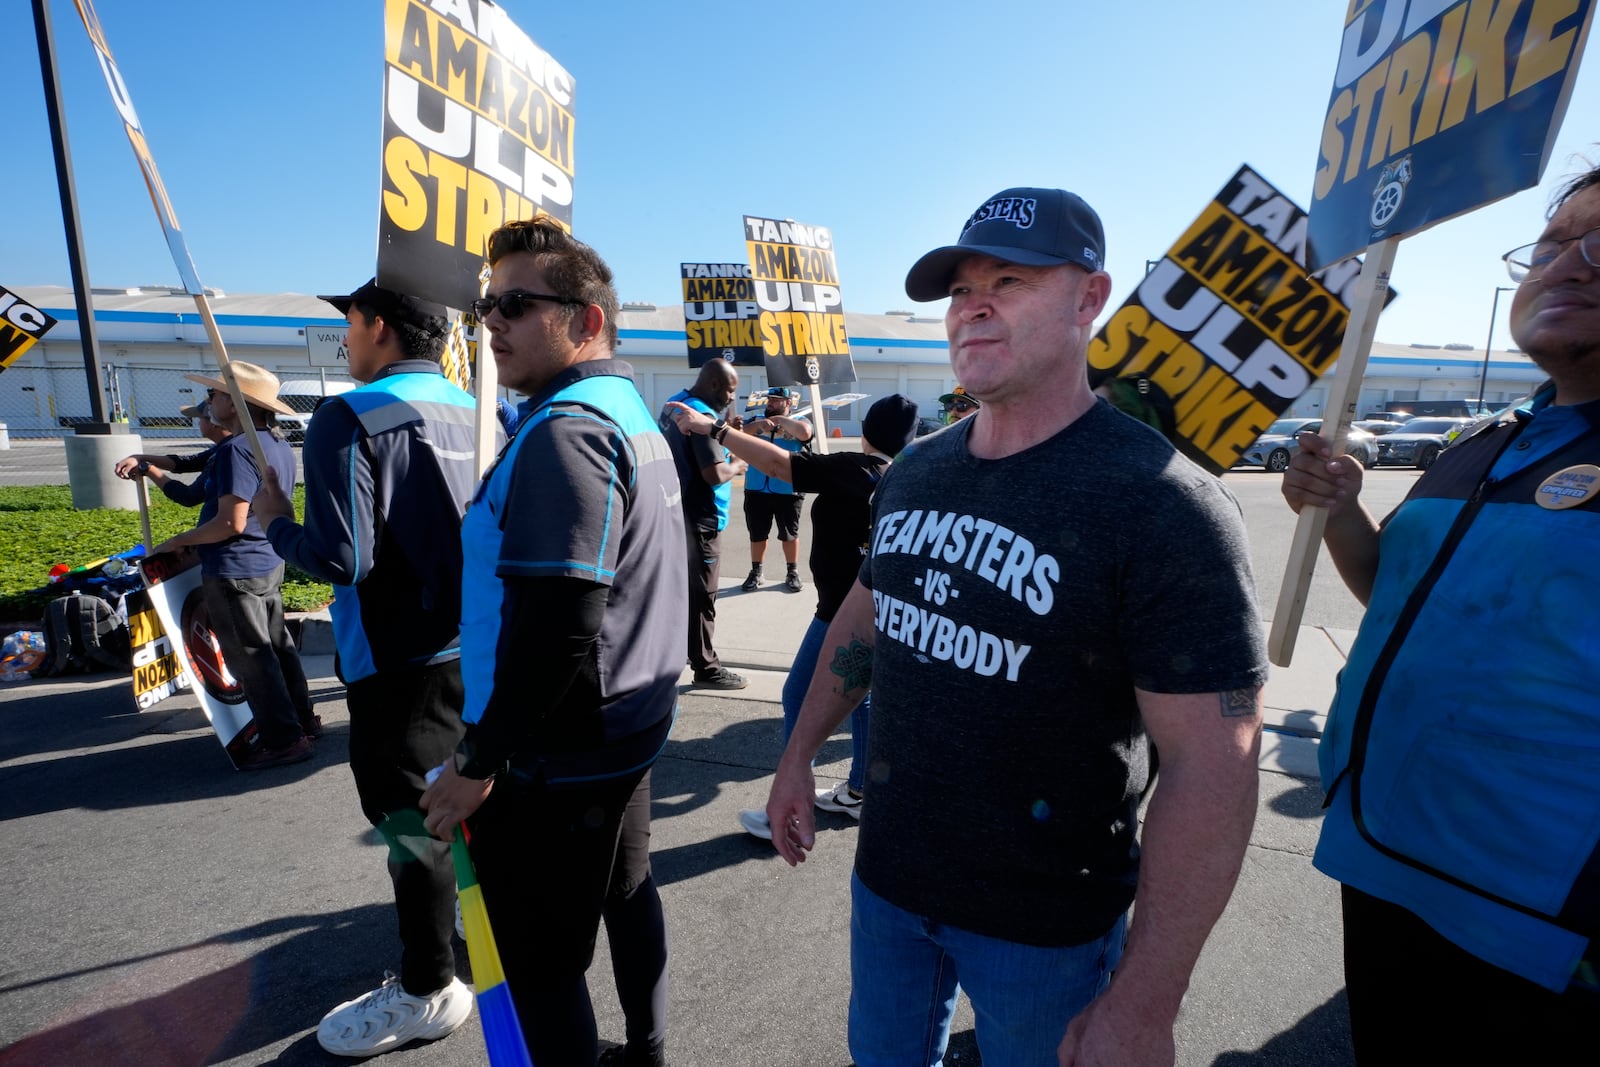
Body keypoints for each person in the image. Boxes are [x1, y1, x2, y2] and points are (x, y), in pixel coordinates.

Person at [765, 187, 1267, 1065]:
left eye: (1010, 279)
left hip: (1047, 931)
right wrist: (798, 754)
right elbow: (868, 614)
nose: (974, 305)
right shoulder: (917, 471)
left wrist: (1146, 1004)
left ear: (1089, 298)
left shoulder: (1164, 504)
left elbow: (1211, 766)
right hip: (888, 889)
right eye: (960, 289)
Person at [1281, 163, 1600, 1059]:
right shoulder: (1482, 444)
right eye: (1549, 245)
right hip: (1382, 859)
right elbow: (1393, 593)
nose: (1565, 266)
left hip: (1542, 931)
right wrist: (1340, 510)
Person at [418, 218, 684, 1067]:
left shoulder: (568, 429)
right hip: (627, 723)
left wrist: (476, 764)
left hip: (560, 750)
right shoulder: (626, 407)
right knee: (628, 892)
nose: (491, 321)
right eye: (487, 305)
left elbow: (561, 622)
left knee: (540, 969)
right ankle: (648, 1048)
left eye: (517, 304)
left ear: (589, 321)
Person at [252, 279, 478, 1057]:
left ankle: (427, 985)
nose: (345, 338)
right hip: (477, 644)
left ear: (377, 325)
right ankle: (471, 937)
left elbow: (342, 558)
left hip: (399, 661)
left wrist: (277, 523)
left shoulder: (349, 417)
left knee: (414, 827)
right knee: (467, 806)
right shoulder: (480, 406)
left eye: (349, 323)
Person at [666, 393, 920, 838]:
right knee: (861, 699)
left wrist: (718, 430)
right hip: (875, 611)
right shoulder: (899, 475)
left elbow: (781, 465)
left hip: (840, 614)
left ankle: (788, 808)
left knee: (798, 699)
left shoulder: (853, 468)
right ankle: (860, 790)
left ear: (866, 430)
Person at [149, 362, 316, 769]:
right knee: (278, 648)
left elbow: (229, 523)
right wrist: (151, 465)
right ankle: (303, 721)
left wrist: (178, 542)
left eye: (219, 395)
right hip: (266, 559)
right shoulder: (270, 442)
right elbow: (193, 473)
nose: (211, 402)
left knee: (253, 658)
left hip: (234, 569)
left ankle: (284, 740)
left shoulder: (237, 450)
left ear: (239, 404)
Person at [659, 357, 748, 690]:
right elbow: (714, 473)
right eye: (729, 391)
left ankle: (674, 654)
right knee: (702, 597)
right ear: (713, 384)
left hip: (676, 513)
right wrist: (739, 463)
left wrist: (729, 434)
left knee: (681, 593)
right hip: (701, 520)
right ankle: (706, 667)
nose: (730, 398)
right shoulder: (701, 418)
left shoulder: (675, 405)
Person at [737, 387, 814, 593]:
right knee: (757, 533)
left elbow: (805, 433)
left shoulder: (800, 421)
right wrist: (760, 425)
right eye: (769, 399)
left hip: (787, 489)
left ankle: (792, 571)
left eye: (776, 400)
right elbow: (739, 434)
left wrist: (781, 421)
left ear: (788, 403)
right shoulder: (756, 419)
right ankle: (756, 571)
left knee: (789, 533)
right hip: (756, 487)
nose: (770, 403)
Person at [115, 398, 231, 507]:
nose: (198, 423)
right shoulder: (223, 447)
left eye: (199, 418)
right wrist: (140, 458)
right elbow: (186, 463)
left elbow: (189, 497)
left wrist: (148, 469)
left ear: (213, 422)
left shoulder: (227, 453)